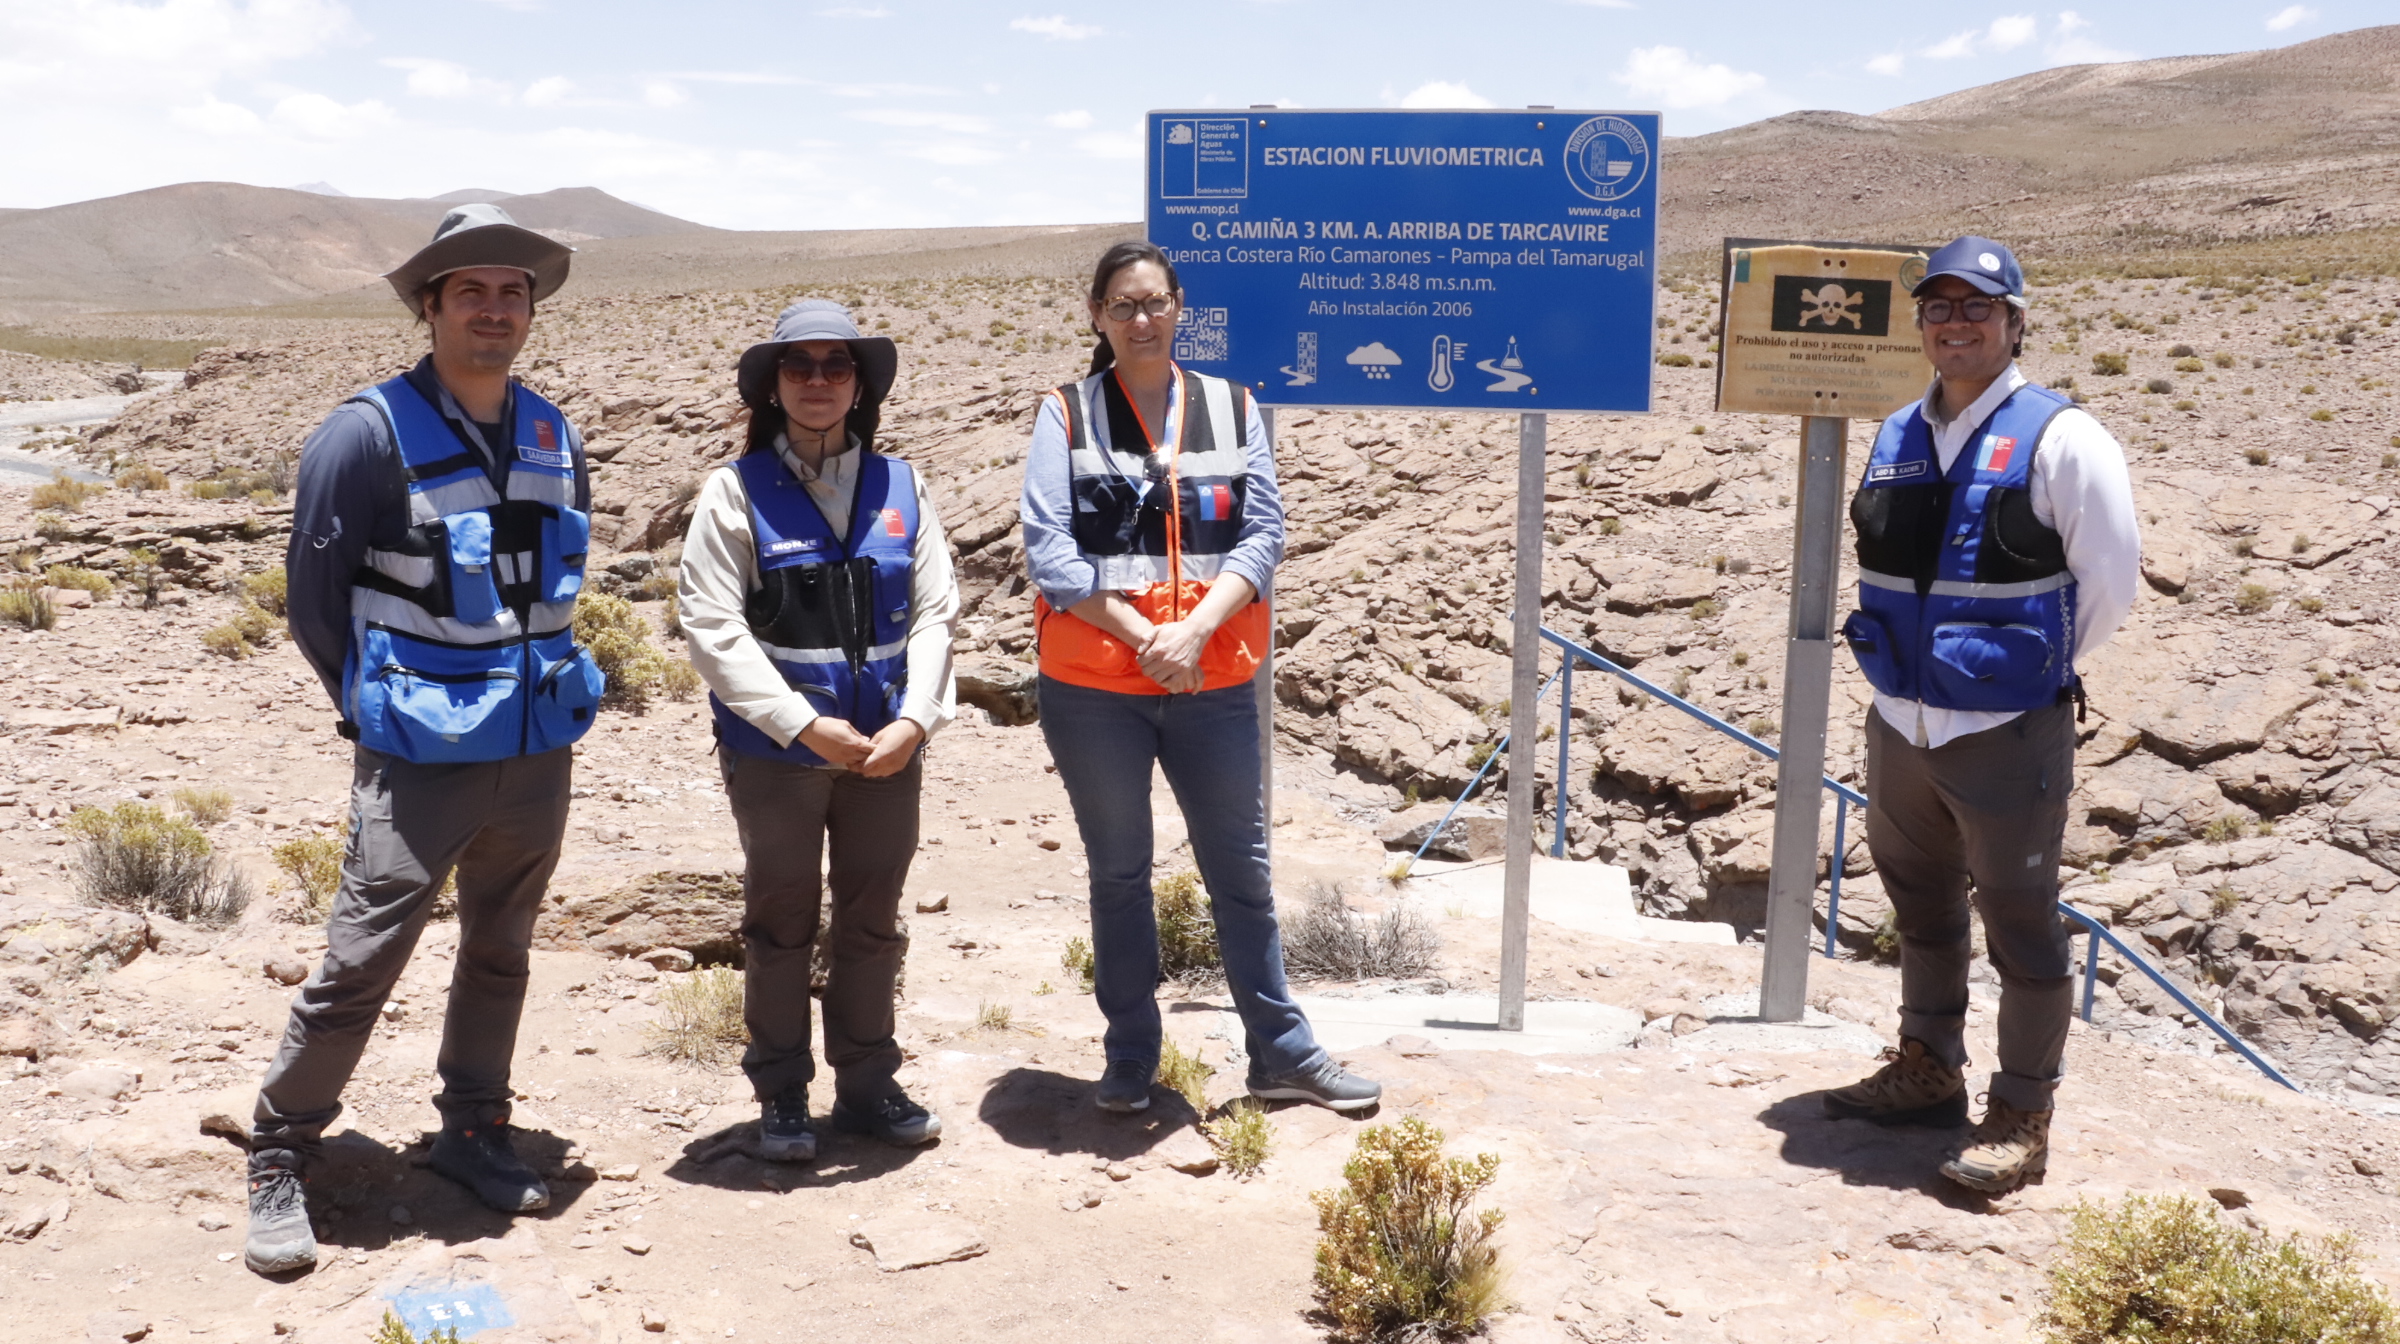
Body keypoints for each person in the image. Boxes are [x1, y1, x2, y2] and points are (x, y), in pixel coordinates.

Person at [248, 204, 601, 1274]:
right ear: (429, 306)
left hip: (536, 746)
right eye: (471, 292)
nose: (494, 311)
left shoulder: (550, 429)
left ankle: (474, 1129)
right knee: (363, 959)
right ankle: (278, 1149)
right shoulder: (365, 433)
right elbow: (315, 599)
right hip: (417, 751)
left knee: (501, 948)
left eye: (512, 293)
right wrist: (367, 712)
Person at [1020, 241, 1380, 1115]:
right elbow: (1049, 549)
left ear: (1180, 307)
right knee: (1119, 872)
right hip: (1097, 686)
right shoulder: (1067, 413)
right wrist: (1148, 634)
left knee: (1241, 871)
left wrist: (1196, 630)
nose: (1141, 321)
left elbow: (1263, 533)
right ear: (1097, 319)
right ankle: (1131, 1056)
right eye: (1121, 307)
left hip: (1212, 682)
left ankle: (1281, 1053)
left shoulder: (1233, 405)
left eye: (1154, 303)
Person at [1823, 236, 2140, 1193]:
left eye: (1978, 308)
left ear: (2014, 323)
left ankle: (2021, 1110)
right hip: (1900, 723)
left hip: (2004, 729)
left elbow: (2110, 581)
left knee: (2022, 927)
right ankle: (1928, 1071)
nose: (1956, 322)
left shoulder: (2063, 437)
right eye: (1939, 307)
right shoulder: (1894, 433)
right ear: (1920, 323)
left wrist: (2024, 673)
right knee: (1920, 907)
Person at [678, 300, 958, 1160]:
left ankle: (869, 1083)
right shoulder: (733, 493)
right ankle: (783, 1092)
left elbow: (937, 613)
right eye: (798, 368)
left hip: (886, 748)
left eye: (837, 367)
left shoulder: (902, 487)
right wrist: (803, 726)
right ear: (772, 387)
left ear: (860, 384)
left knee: (872, 919)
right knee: (780, 920)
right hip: (779, 757)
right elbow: (711, 625)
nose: (818, 383)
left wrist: (915, 719)